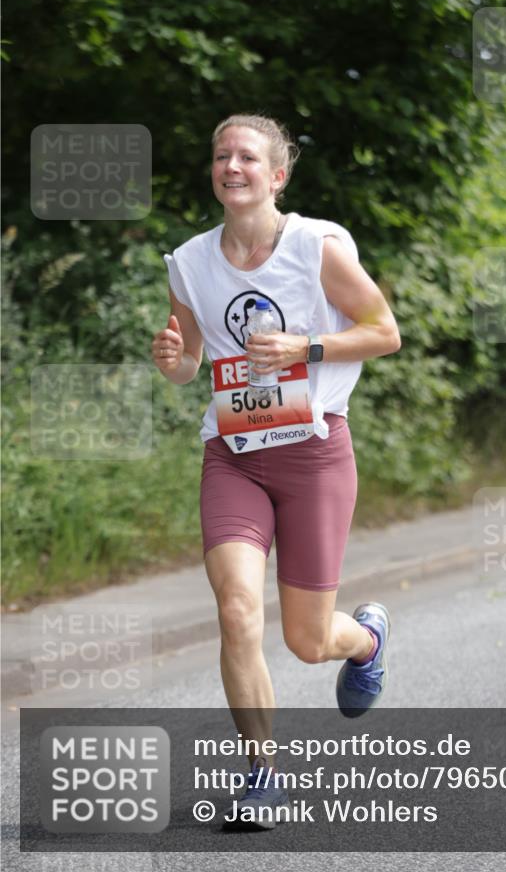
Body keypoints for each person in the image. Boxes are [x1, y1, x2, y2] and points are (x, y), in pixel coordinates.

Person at [152, 113, 401, 829]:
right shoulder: (189, 262)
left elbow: (384, 332)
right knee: (236, 610)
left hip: (313, 455)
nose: (232, 167)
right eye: (221, 156)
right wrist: (173, 363)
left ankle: (367, 640)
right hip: (233, 455)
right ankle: (262, 774)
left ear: (278, 174)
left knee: (307, 641)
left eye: (248, 158)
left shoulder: (315, 248)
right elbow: (190, 361)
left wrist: (306, 347)